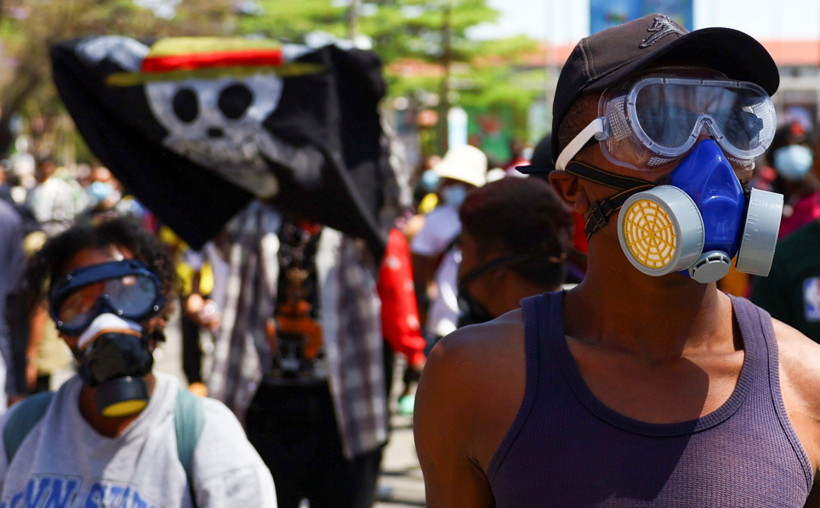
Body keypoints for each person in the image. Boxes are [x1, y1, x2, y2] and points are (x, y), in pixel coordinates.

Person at [414, 13, 820, 506]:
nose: (711, 156)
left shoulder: (808, 384)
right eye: (659, 124)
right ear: (571, 186)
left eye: (733, 122)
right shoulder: (473, 378)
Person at [1, 216, 276, 506]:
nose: (105, 321)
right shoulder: (19, 432)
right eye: (79, 305)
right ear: (60, 328)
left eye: (128, 295)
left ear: (161, 311)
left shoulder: (210, 439)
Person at [205, 201, 387, 508]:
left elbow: (390, 199)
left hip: (339, 406)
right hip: (266, 402)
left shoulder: (353, 227)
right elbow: (210, 211)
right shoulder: (253, 222)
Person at [456, 176, 574, 326]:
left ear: (497, 274)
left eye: (464, 254)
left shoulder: (471, 341)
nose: (461, 269)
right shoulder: (593, 324)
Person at [410, 144, 487, 341]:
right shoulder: (435, 220)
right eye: (448, 181)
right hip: (446, 323)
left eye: (455, 182)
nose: (448, 187)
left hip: (484, 324)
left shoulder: (492, 218)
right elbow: (419, 271)